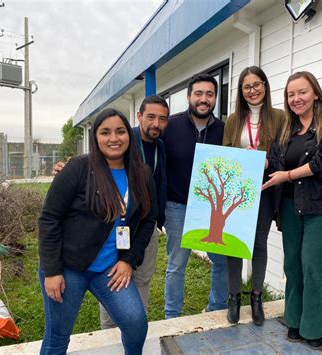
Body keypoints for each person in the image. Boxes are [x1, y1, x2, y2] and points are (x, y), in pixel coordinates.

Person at [39, 108, 157, 355]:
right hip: (69, 268)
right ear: (95, 138)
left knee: (136, 323)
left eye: (120, 131)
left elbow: (148, 220)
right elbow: (49, 218)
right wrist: (52, 271)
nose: (114, 138)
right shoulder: (78, 168)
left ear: (129, 135)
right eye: (105, 132)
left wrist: (128, 260)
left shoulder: (142, 174)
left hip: (108, 270)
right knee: (57, 338)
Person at [53, 96, 170, 330]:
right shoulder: (123, 138)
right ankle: (110, 333)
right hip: (111, 231)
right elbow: (92, 166)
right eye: (151, 117)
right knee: (110, 281)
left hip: (142, 227)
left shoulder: (161, 146)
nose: (156, 123)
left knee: (141, 281)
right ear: (138, 118)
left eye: (162, 119)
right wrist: (65, 170)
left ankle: (134, 327)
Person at [263, 71, 322, 349]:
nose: (296, 99)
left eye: (301, 92)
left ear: (314, 92)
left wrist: (287, 176)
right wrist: (259, 164)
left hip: (321, 207)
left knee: (312, 264)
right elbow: (277, 161)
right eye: (291, 94)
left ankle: (313, 326)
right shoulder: (288, 128)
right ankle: (294, 320)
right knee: (293, 264)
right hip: (289, 207)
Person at [222, 66, 284, 325]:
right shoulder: (233, 120)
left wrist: (267, 160)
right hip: (238, 188)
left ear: (265, 86)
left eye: (257, 84)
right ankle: (234, 297)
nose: (253, 90)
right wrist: (241, 158)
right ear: (241, 91)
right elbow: (225, 151)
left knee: (259, 243)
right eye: (247, 86)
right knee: (234, 244)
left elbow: (283, 150)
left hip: (266, 188)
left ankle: (256, 297)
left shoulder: (280, 116)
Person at [162, 73, 228, 319]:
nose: (204, 99)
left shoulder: (224, 130)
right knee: (177, 265)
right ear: (189, 96)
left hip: (211, 210)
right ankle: (171, 316)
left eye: (209, 94)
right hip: (177, 206)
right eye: (198, 94)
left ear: (215, 99)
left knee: (221, 261)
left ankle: (217, 308)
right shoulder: (171, 126)